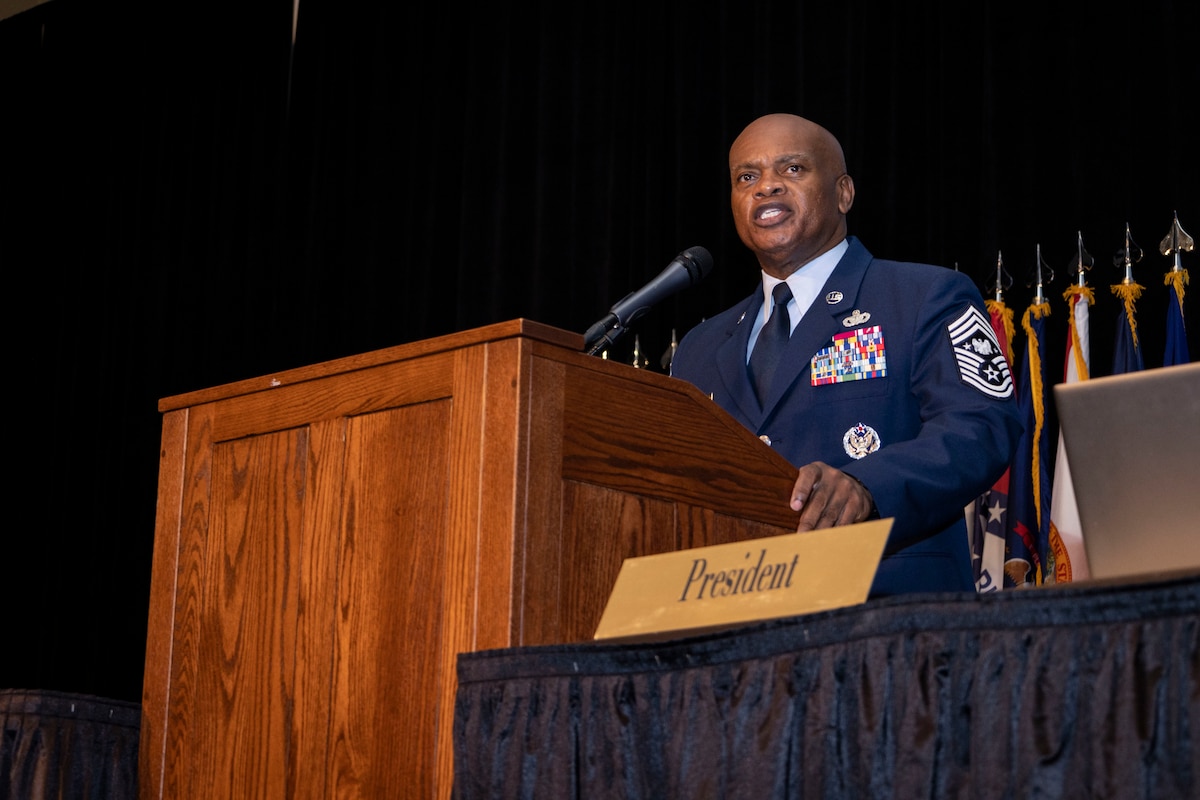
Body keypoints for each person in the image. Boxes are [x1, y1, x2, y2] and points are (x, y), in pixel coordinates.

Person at [670, 113, 1022, 596]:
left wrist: (867, 485)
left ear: (843, 193)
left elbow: (980, 427)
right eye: (746, 177)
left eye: (792, 170)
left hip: (886, 619)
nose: (765, 187)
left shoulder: (925, 296)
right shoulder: (700, 347)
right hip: (735, 623)